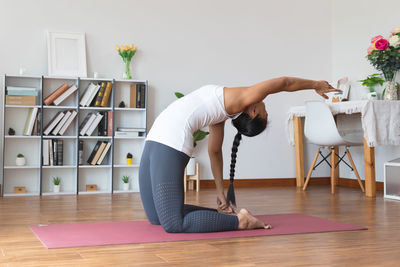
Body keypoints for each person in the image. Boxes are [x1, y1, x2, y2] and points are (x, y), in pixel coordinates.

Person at [139, 77, 340, 233]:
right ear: (253, 112)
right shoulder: (227, 106)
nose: (265, 107)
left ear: (253, 112)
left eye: (266, 112)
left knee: (173, 224)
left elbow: (214, 151)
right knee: (156, 217)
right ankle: (230, 215)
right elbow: (214, 151)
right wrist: (316, 83)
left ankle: (241, 221)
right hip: (156, 138)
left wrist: (221, 193)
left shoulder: (235, 103)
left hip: (171, 140)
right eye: (266, 112)